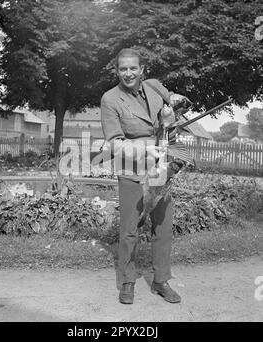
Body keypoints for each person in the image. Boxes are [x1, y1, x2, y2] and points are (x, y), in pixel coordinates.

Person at [100, 48, 190, 305]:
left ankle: (161, 280)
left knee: (162, 226)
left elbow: (171, 123)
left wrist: (171, 120)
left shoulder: (154, 87)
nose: (128, 73)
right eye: (123, 69)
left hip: (161, 167)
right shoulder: (110, 99)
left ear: (142, 70)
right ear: (117, 71)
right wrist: (144, 148)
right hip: (132, 170)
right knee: (130, 228)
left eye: (133, 68)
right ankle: (127, 280)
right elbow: (115, 143)